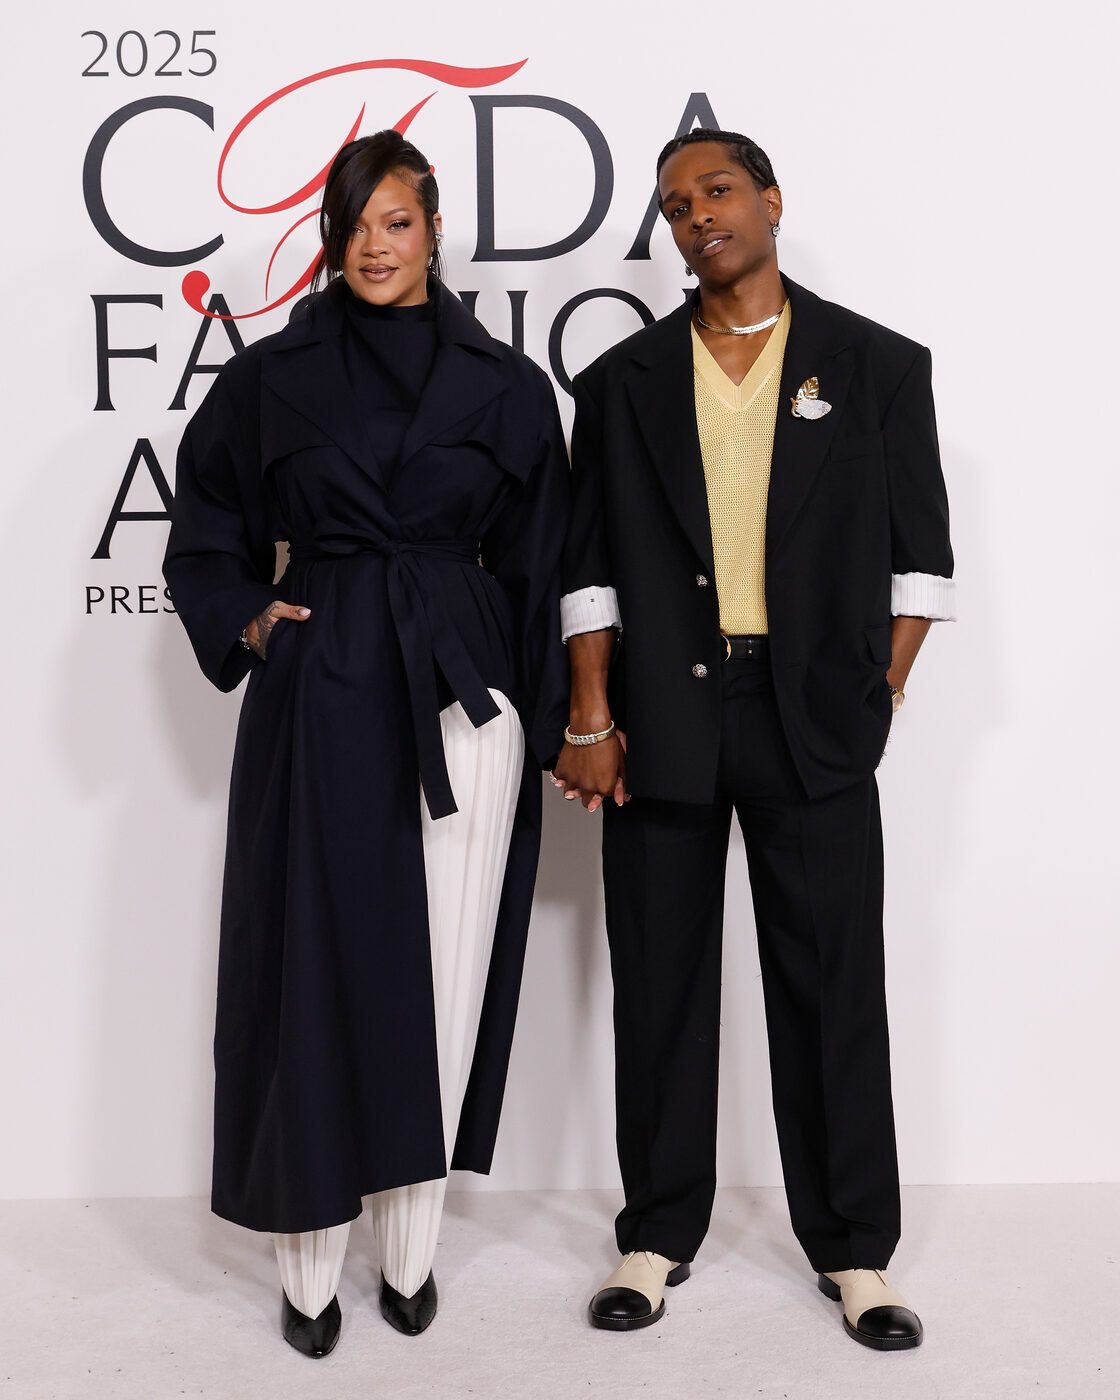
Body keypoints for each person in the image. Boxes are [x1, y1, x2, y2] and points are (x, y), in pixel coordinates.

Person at [164, 129, 569, 1358]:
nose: (372, 245)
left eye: (395, 221)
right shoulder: (267, 378)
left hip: (465, 692)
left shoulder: (509, 386)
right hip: (324, 678)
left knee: (444, 971)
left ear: (435, 226)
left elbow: (544, 565)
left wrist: (560, 721)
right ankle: (308, 1261)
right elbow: (206, 526)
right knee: (310, 969)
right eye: (351, 225)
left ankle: (412, 1251)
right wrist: (249, 615)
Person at [554, 127, 954, 1351]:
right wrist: (591, 716)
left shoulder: (877, 365)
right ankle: (654, 1233)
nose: (698, 216)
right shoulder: (620, 383)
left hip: (811, 718)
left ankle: (853, 1249)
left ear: (772, 202)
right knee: (658, 979)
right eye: (677, 206)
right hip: (663, 717)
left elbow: (922, 563)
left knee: (831, 982)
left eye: (717, 191)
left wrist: (875, 695)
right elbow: (588, 573)